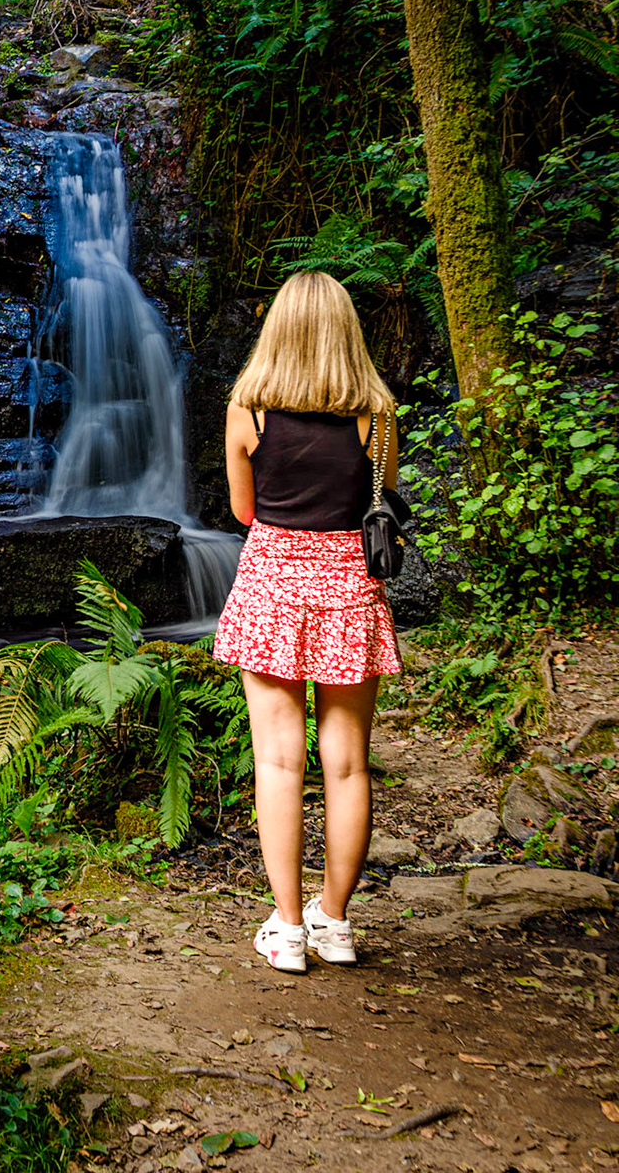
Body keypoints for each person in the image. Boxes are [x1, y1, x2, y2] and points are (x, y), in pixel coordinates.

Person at [212, 272, 402, 973]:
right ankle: (338, 923)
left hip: (272, 589)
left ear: (278, 332)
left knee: (279, 760)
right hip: (350, 588)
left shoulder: (248, 412)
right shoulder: (377, 414)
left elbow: (244, 512)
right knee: (348, 764)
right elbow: (373, 502)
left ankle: (287, 930)